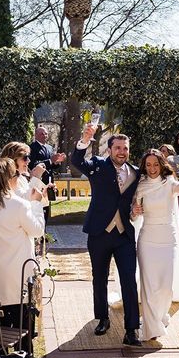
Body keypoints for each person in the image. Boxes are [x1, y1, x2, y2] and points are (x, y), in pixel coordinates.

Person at [70, 124, 141, 346]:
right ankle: (102, 318)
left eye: (125, 148)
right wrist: (84, 140)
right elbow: (77, 162)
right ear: (110, 149)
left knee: (129, 280)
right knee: (99, 278)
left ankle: (132, 330)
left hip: (124, 236)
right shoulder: (98, 166)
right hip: (99, 232)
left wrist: (134, 211)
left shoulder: (136, 172)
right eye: (118, 147)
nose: (122, 152)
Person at [131, 150, 179, 341]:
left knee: (165, 287)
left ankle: (159, 316)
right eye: (149, 165)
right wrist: (135, 211)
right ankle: (151, 327)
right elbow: (134, 215)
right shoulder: (141, 186)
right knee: (149, 286)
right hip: (147, 239)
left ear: (162, 165)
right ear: (144, 166)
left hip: (168, 240)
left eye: (156, 164)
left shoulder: (169, 183)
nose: (152, 168)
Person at [0, 158, 45, 329]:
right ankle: (23, 354)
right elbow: (37, 230)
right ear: (8, 179)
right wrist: (36, 203)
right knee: (21, 328)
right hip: (15, 280)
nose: (18, 178)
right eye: (16, 174)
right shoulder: (18, 205)